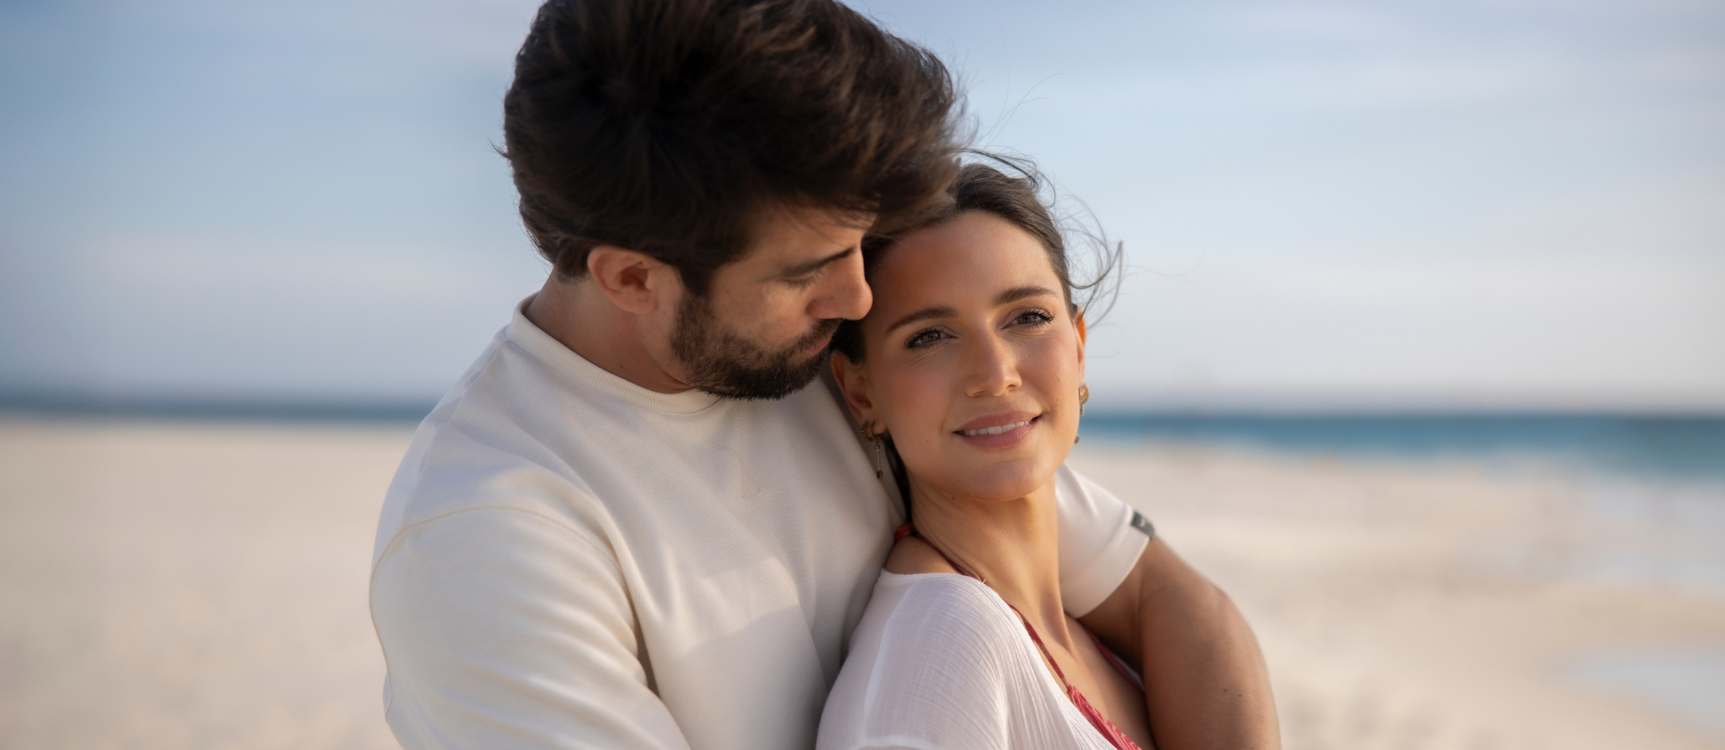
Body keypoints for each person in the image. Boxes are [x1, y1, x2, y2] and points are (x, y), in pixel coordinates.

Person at [368, 1, 1277, 748]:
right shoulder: (484, 535)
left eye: (859, 246)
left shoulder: (808, 353)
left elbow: (1166, 597)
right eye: (809, 269)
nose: (857, 296)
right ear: (633, 277)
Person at [819, 161, 1192, 750]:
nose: (995, 376)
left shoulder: (1077, 626)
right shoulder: (939, 645)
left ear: (1079, 347)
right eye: (930, 336)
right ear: (862, 392)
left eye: (1027, 317)